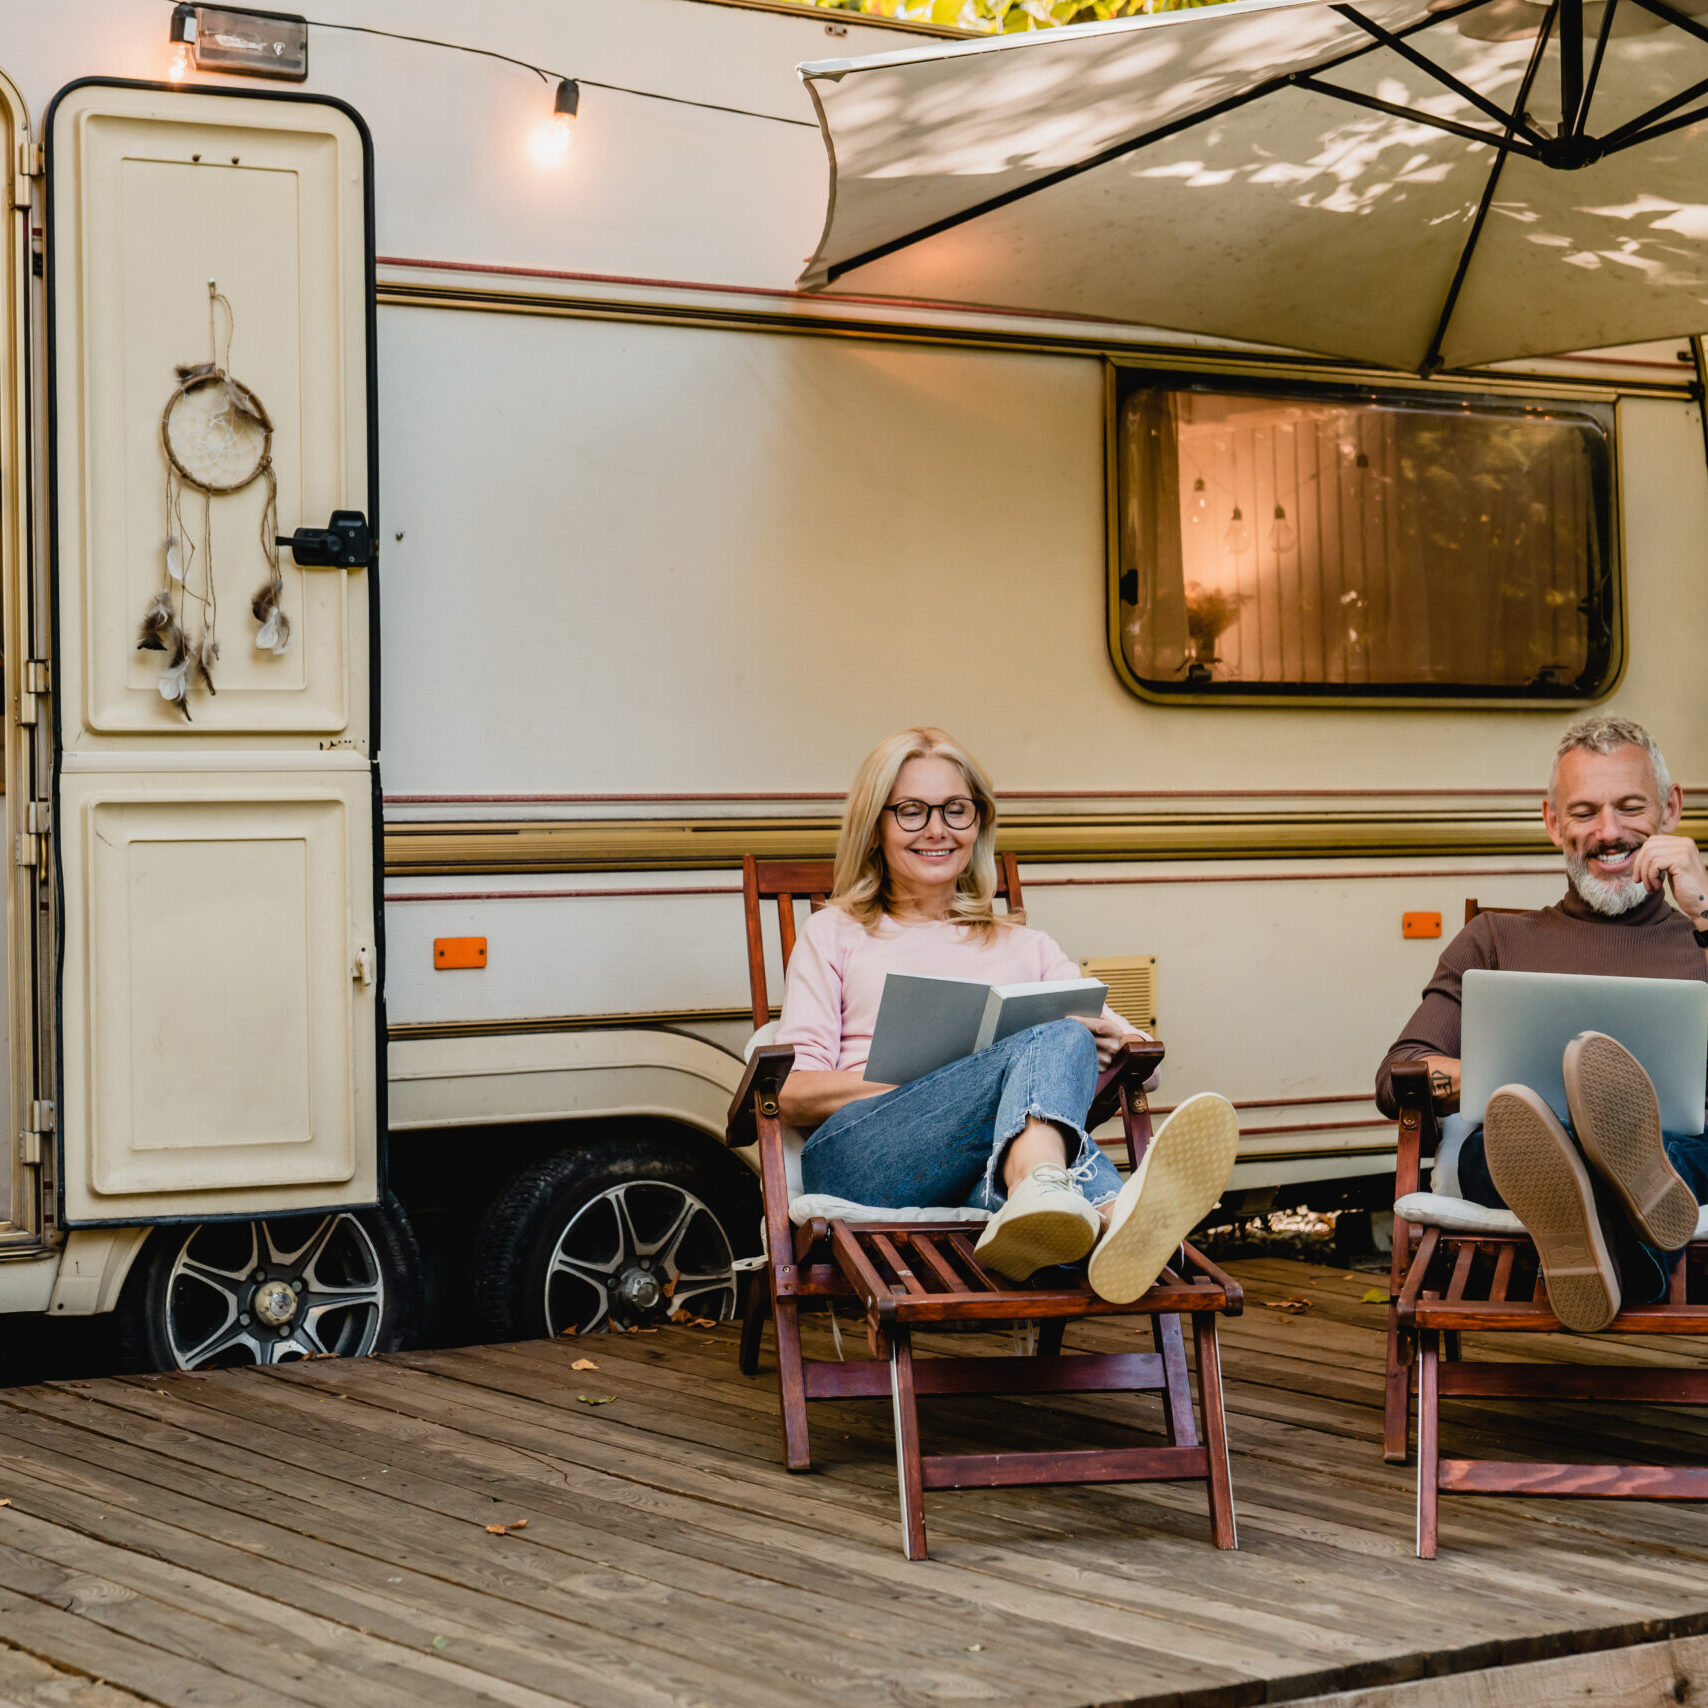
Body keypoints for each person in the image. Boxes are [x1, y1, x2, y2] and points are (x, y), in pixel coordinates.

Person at [776, 726, 1239, 1303]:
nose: (938, 830)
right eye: (912, 812)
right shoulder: (835, 934)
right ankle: (1113, 1207)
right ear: (876, 827)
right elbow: (789, 1094)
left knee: (1062, 1041)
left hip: (970, 1167)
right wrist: (941, 1085)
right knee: (1048, 1041)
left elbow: (1143, 1061)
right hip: (861, 1159)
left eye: (956, 810)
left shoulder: (1027, 947)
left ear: (979, 824)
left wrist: (1109, 1042)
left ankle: (1055, 1203)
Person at [1376, 713, 1708, 1330]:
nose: (1609, 833)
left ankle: (1607, 1215)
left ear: (1671, 809)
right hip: (1526, 1154)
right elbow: (1399, 1074)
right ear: (1553, 822)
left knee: (1677, 1150)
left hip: (1689, 1147)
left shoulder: (1705, 935)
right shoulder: (1495, 941)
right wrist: (1495, 1082)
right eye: (1584, 813)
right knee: (1504, 1136)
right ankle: (1630, 1243)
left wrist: (1705, 909)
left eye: (1630, 808)